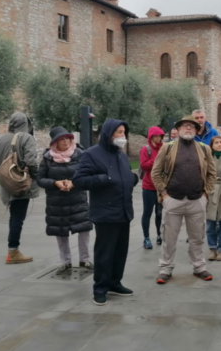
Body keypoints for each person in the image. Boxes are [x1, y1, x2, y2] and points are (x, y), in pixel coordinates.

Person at [72, 119, 139, 306]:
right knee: (105, 253)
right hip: (105, 213)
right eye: (118, 132)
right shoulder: (92, 155)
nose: (122, 136)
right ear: (108, 133)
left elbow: (123, 175)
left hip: (123, 210)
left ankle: (115, 283)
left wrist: (132, 179)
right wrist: (104, 178)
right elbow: (79, 180)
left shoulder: (121, 155)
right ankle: (100, 288)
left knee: (120, 251)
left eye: (124, 132)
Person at [151, 115, 216, 284]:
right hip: (173, 199)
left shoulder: (204, 149)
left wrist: (206, 194)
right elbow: (155, 173)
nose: (188, 128)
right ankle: (165, 269)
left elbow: (212, 173)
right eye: (185, 126)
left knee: (197, 237)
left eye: (192, 127)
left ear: (196, 131)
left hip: (197, 200)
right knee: (169, 237)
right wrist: (164, 194)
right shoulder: (167, 147)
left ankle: (199, 267)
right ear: (178, 130)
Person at [37, 127, 92, 274]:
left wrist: (74, 182)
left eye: (68, 137)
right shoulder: (48, 158)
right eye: (62, 139)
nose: (66, 140)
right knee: (60, 232)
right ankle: (65, 262)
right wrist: (55, 183)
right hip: (57, 201)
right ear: (55, 142)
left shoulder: (81, 155)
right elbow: (40, 179)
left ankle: (85, 260)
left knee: (84, 229)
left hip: (78, 199)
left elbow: (87, 174)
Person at [0, 112, 39, 265]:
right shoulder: (26, 138)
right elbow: (31, 160)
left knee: (14, 215)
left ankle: (13, 249)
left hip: (7, 186)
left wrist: (4, 178)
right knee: (18, 217)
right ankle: (13, 250)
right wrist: (36, 177)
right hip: (22, 184)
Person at [140, 126, 165, 249]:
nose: (158, 138)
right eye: (156, 136)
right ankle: (146, 237)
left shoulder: (164, 148)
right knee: (147, 213)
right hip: (148, 186)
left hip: (160, 187)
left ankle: (159, 235)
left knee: (159, 213)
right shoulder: (146, 149)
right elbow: (143, 165)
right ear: (150, 137)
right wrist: (156, 160)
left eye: (160, 136)